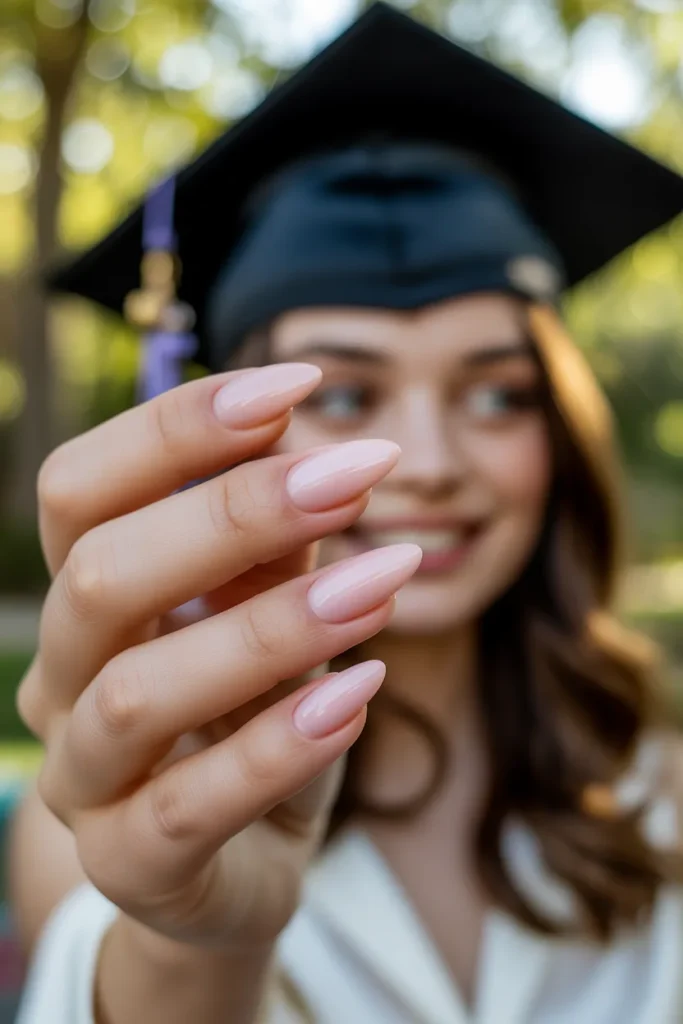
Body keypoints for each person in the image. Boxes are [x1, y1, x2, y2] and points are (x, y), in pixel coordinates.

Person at [10, 4, 683, 1022]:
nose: (430, 464)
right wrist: (199, 936)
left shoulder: (657, 782)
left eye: (497, 395)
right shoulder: (109, 816)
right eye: (344, 393)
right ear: (232, 437)